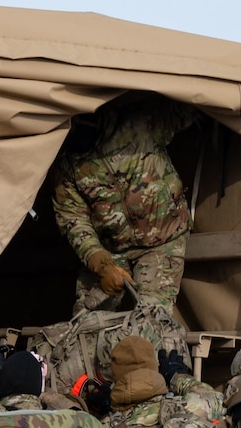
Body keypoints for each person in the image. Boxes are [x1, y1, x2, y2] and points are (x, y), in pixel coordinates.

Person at [50, 94, 200, 315]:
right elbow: (74, 221)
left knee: (151, 319)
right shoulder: (66, 166)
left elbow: (189, 105)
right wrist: (102, 266)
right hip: (110, 250)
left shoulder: (138, 125)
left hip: (163, 241)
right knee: (86, 323)